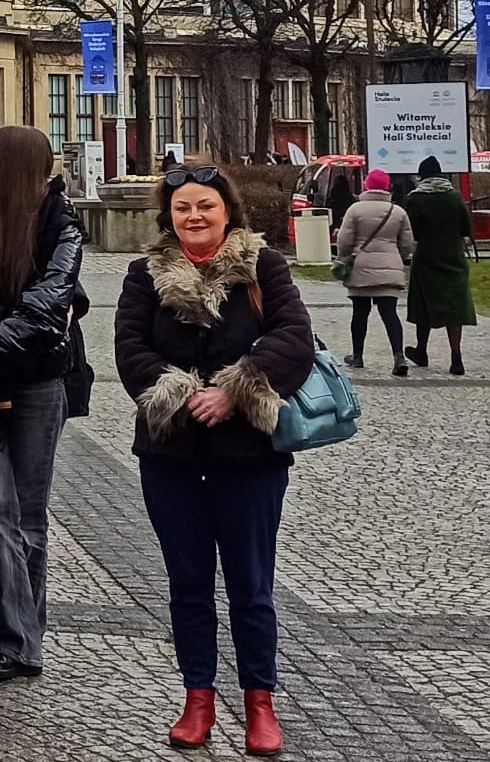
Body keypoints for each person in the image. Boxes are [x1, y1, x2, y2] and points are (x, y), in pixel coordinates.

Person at [115, 165, 314, 757]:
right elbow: (130, 348)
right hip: (171, 454)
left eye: (205, 205)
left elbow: (294, 337)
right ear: (169, 216)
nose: (194, 216)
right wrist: (179, 392)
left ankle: (260, 702)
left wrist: (235, 389)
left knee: (251, 585)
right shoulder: (144, 274)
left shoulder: (263, 266)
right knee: (189, 585)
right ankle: (197, 697)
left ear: (227, 210)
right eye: (182, 208)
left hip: (248, 456)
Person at [0, 125, 83, 686]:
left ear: (20, 160)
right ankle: (16, 634)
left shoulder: (60, 223)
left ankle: (18, 641)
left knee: (27, 516)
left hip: (35, 383)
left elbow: (47, 305)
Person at [335, 168, 413, 377]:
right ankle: (398, 356)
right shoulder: (398, 212)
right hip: (389, 267)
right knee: (390, 314)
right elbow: (407, 244)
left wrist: (344, 258)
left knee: (360, 314)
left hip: (360, 266)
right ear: (388, 187)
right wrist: (397, 257)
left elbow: (344, 240)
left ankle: (358, 356)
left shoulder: (355, 210)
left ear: (366, 186)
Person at [404, 155, 476, 375]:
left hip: (426, 258)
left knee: (423, 304)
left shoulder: (416, 198)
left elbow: (413, 231)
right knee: (455, 307)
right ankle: (456, 357)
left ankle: (421, 350)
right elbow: (466, 229)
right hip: (454, 258)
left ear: (422, 176)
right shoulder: (455, 197)